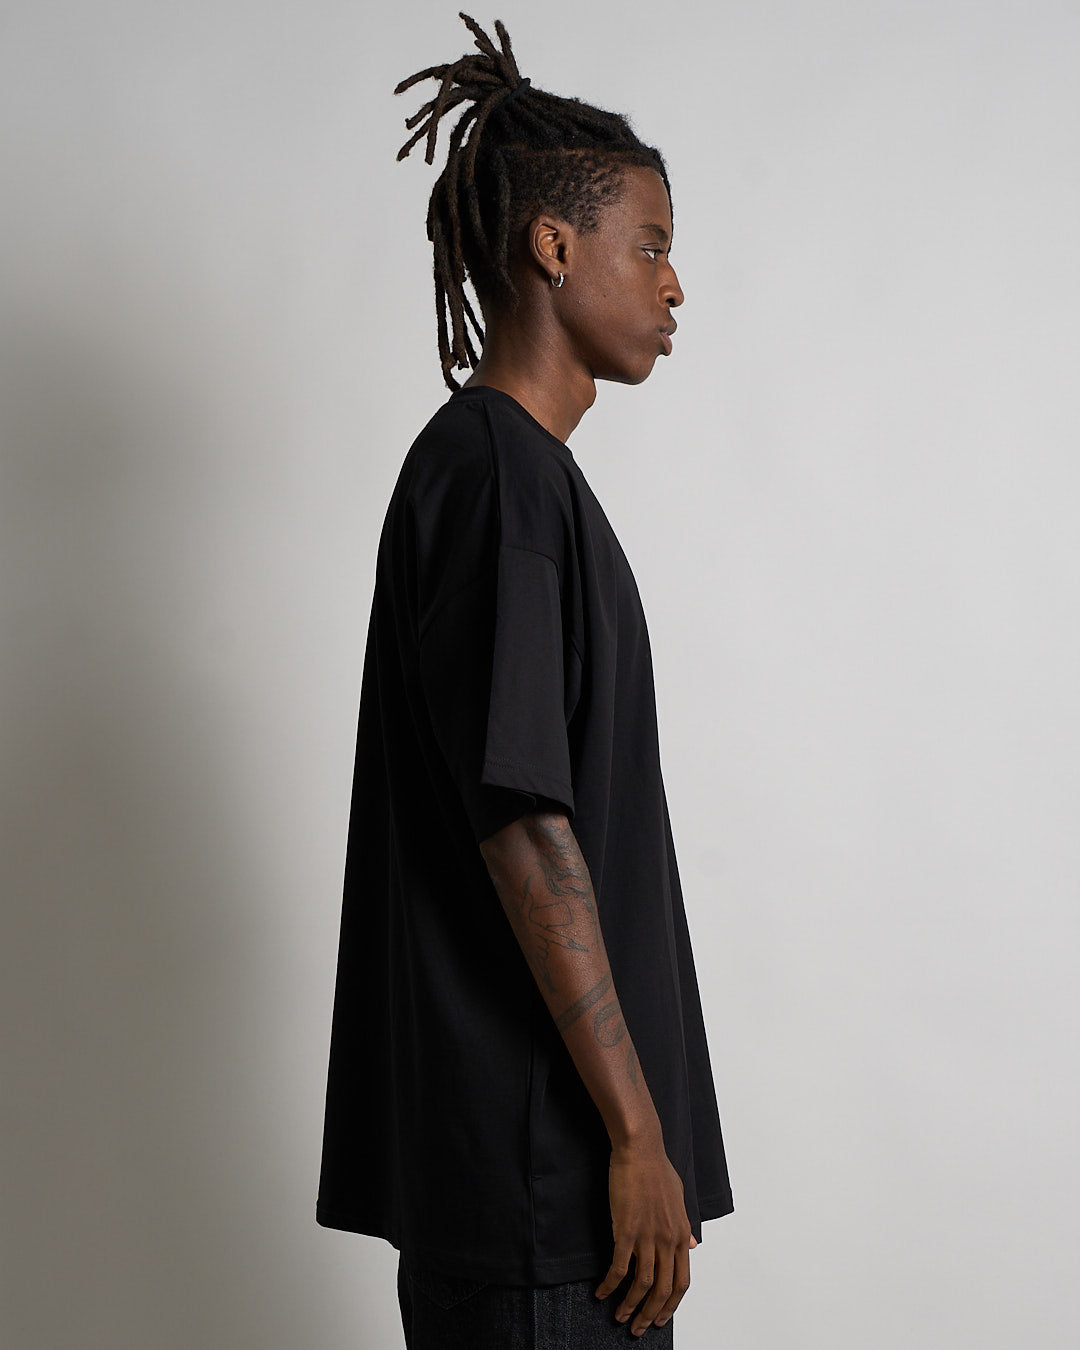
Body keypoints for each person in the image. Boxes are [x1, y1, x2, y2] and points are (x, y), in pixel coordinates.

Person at [316, 13, 734, 1346]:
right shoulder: (499, 478)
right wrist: (636, 1135)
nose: (675, 286)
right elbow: (523, 821)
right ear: (553, 246)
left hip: (540, 1200)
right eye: (651, 245)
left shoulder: (511, 478)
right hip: (547, 1201)